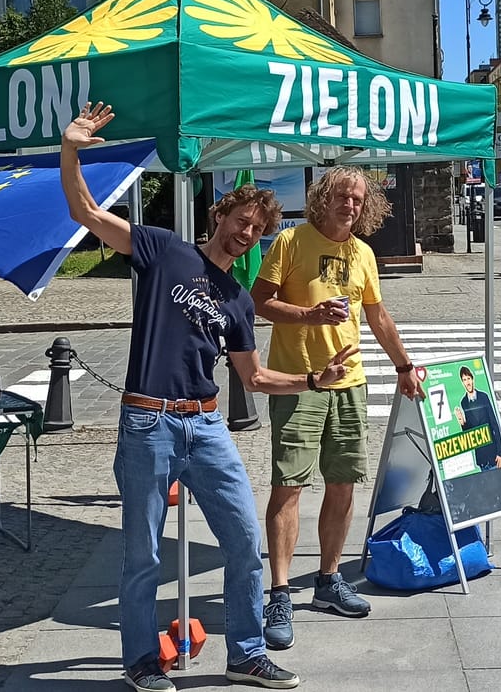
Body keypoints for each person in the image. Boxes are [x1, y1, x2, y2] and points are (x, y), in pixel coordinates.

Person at [60, 102, 353, 692]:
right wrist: (71, 148)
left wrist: (312, 381)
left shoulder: (240, 301)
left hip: (208, 428)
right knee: (142, 553)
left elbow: (256, 379)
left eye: (258, 230)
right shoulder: (165, 251)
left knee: (246, 541)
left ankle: (245, 653)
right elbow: (86, 212)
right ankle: (142, 660)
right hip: (148, 423)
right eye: (242, 221)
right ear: (221, 216)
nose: (247, 233)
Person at [251, 166, 423, 651]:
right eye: (342, 196)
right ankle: (281, 592)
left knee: (343, 485)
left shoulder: (363, 253)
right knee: (288, 486)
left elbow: (377, 315)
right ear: (324, 197)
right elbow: (259, 301)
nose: (349, 204)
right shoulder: (291, 242)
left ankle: (328, 581)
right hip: (299, 382)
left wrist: (404, 365)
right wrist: (307, 314)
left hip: (350, 384)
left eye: (357, 198)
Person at [457, 366, 501, 473]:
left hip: (493, 454)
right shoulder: (464, 402)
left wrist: (500, 453)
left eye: (468, 378)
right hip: (481, 456)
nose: (467, 382)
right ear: (462, 382)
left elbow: (494, 424)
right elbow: (469, 433)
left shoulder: (483, 397)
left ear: (472, 379)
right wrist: (462, 422)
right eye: (464, 380)